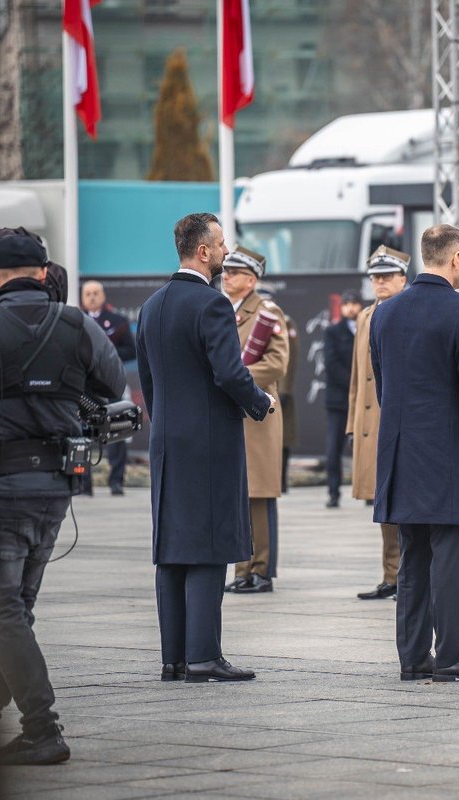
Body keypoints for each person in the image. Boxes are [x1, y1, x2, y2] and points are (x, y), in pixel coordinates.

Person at [0, 231, 126, 765]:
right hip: (54, 490)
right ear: (42, 272)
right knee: (15, 607)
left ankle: (43, 728)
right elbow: (112, 384)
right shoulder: (77, 323)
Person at [137, 213, 275, 684]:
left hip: (168, 443)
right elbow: (230, 373)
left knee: (172, 549)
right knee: (210, 548)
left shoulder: (152, 305)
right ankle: (203, 658)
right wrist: (261, 403)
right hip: (209, 443)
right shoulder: (211, 304)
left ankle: (173, 659)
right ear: (203, 252)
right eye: (220, 245)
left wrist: (168, 425)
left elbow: (149, 382)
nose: (224, 251)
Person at [370, 224, 459, 682]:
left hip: (403, 452)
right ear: (458, 257)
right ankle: (450, 654)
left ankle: (412, 657)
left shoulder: (383, 313)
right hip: (448, 454)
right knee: (451, 557)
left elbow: (384, 386)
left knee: (413, 558)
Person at [220, 247, 290, 594]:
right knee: (238, 493)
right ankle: (242, 569)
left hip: (257, 415)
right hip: (232, 415)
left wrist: (236, 377)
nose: (226, 276)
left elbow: (277, 364)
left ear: (251, 279)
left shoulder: (266, 312)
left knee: (258, 495)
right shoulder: (223, 310)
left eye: (234, 272)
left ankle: (260, 570)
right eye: (226, 271)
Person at [349, 245, 411, 600]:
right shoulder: (365, 316)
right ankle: (391, 575)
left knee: (403, 503)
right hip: (370, 421)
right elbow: (359, 378)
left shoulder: (407, 310)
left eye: (387, 276)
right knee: (383, 502)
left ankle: (408, 576)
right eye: (375, 277)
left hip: (397, 420)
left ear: (403, 278)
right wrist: (351, 424)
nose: (380, 282)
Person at [80, 281, 136, 496]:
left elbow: (131, 351)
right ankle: (84, 484)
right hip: (84, 387)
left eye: (96, 293)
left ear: (103, 296)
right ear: (82, 297)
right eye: (88, 293)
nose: (92, 297)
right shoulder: (75, 321)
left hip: (111, 383)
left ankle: (116, 482)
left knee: (117, 430)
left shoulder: (118, 321)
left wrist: (107, 356)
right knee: (82, 433)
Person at [322, 290, 362, 509]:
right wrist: (354, 385)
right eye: (346, 304)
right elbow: (331, 364)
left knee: (365, 448)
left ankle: (369, 492)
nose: (350, 308)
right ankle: (333, 492)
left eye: (354, 303)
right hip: (338, 400)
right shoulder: (333, 332)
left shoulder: (367, 329)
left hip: (362, 401)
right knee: (333, 450)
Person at [277, 313, 300, 493]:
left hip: (279, 390)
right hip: (257, 387)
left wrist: (284, 389)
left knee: (283, 438)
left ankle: (282, 480)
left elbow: (290, 357)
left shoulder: (284, 321)